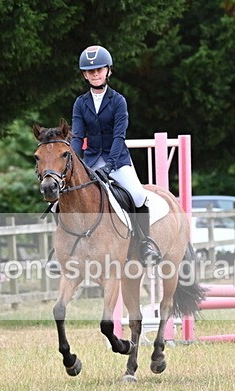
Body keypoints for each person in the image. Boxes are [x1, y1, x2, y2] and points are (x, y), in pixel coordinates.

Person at [70, 45, 162, 263]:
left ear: (108, 71)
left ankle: (144, 243)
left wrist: (110, 166)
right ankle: (64, 248)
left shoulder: (118, 101)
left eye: (99, 69)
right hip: (91, 160)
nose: (95, 74)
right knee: (65, 197)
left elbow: (119, 137)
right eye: (90, 71)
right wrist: (74, 164)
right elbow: (76, 137)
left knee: (138, 195)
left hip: (117, 160)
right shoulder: (80, 104)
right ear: (84, 74)